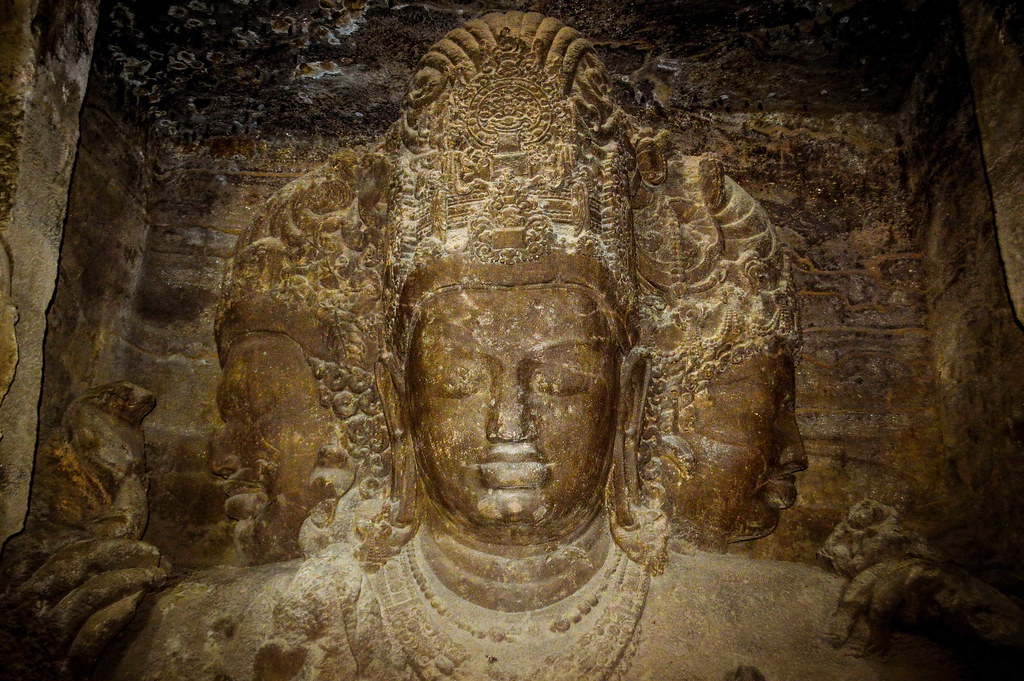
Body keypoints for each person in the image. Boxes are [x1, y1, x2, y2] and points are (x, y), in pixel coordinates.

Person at [2, 12, 968, 681]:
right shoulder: (206, 636)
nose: (511, 422)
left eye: (563, 377)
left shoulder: (812, 632)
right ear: (392, 397)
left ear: (633, 395)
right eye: (462, 375)